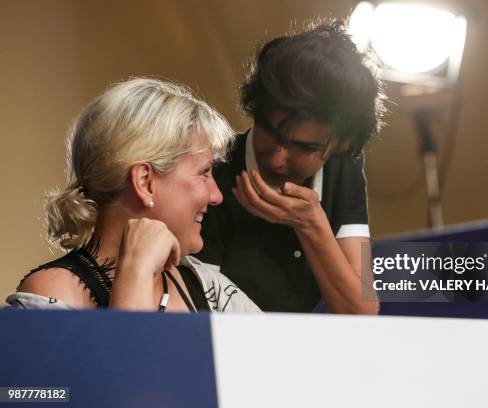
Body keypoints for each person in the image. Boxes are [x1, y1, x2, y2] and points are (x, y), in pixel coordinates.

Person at [6, 78, 260, 313]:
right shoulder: (55, 292)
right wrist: (136, 275)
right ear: (144, 182)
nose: (216, 196)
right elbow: (127, 362)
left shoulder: (206, 286)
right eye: (204, 173)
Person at [195, 20, 385, 314]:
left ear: (342, 145)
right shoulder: (212, 176)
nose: (276, 158)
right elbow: (199, 311)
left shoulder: (343, 170)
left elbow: (361, 312)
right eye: (269, 131)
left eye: (305, 147)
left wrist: (310, 223)